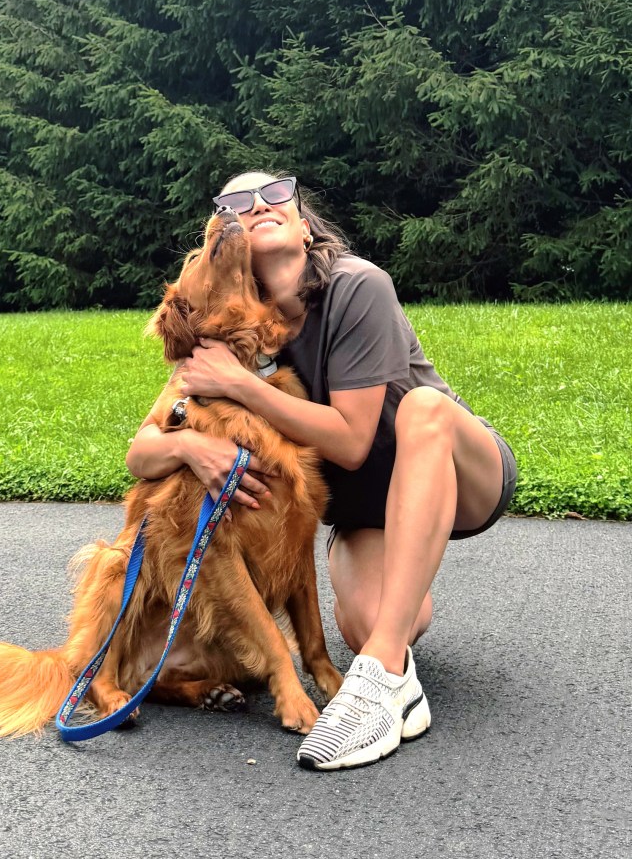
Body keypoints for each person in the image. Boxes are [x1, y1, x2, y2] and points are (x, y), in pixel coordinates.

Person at [126, 171, 518, 771]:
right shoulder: (238, 332)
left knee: (424, 410)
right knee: (371, 621)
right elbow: (141, 450)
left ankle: (385, 679)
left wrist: (239, 388)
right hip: (370, 510)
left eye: (275, 194)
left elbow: (354, 442)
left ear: (304, 228)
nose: (256, 206)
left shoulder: (358, 287)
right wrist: (192, 449)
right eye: (235, 203)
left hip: (455, 468)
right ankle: (391, 629)